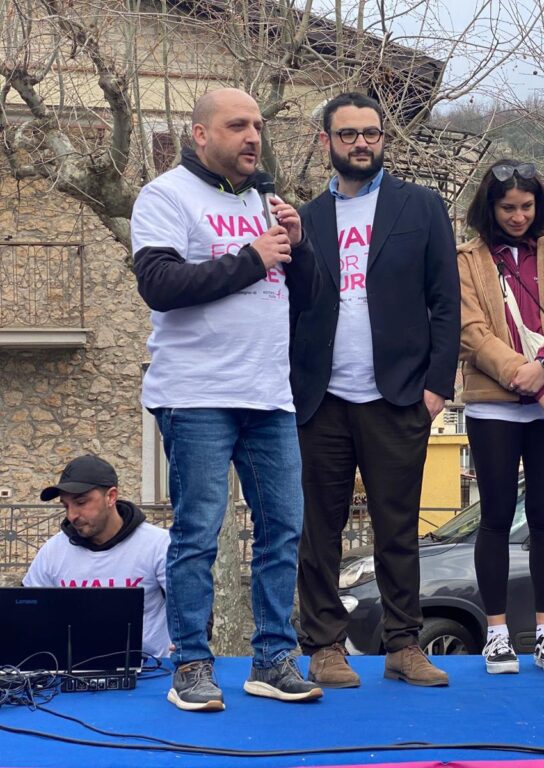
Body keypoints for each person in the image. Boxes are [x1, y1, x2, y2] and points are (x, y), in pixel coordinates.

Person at [132, 87, 321, 711]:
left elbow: (309, 298)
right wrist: (252, 257)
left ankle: (273, 659)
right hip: (196, 395)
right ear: (200, 134)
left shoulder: (266, 201)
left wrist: (298, 244)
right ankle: (191, 664)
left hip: (268, 394)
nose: (253, 137)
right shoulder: (165, 195)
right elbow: (160, 284)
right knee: (198, 535)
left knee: (282, 530)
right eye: (237, 125)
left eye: (258, 126)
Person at [290, 92, 460, 689]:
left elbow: (446, 300)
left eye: (371, 133)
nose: (361, 143)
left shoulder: (421, 206)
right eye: (348, 134)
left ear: (383, 138)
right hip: (321, 399)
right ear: (326, 142)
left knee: (398, 528)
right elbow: (289, 308)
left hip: (398, 396)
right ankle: (324, 646)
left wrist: (437, 387)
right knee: (319, 531)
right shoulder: (305, 219)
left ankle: (403, 644)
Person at [457, 159, 544, 675]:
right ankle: (496, 634)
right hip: (494, 402)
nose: (518, 216)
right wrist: (529, 378)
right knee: (495, 516)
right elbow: (470, 331)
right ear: (489, 208)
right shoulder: (466, 259)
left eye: (527, 206)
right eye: (508, 208)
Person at [25, 455, 171, 659]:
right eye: (66, 506)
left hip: (150, 668)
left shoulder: (158, 544)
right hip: (70, 668)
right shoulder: (53, 551)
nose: (72, 515)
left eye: (81, 502)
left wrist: (189, 639)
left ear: (111, 497)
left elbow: (191, 605)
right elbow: (26, 612)